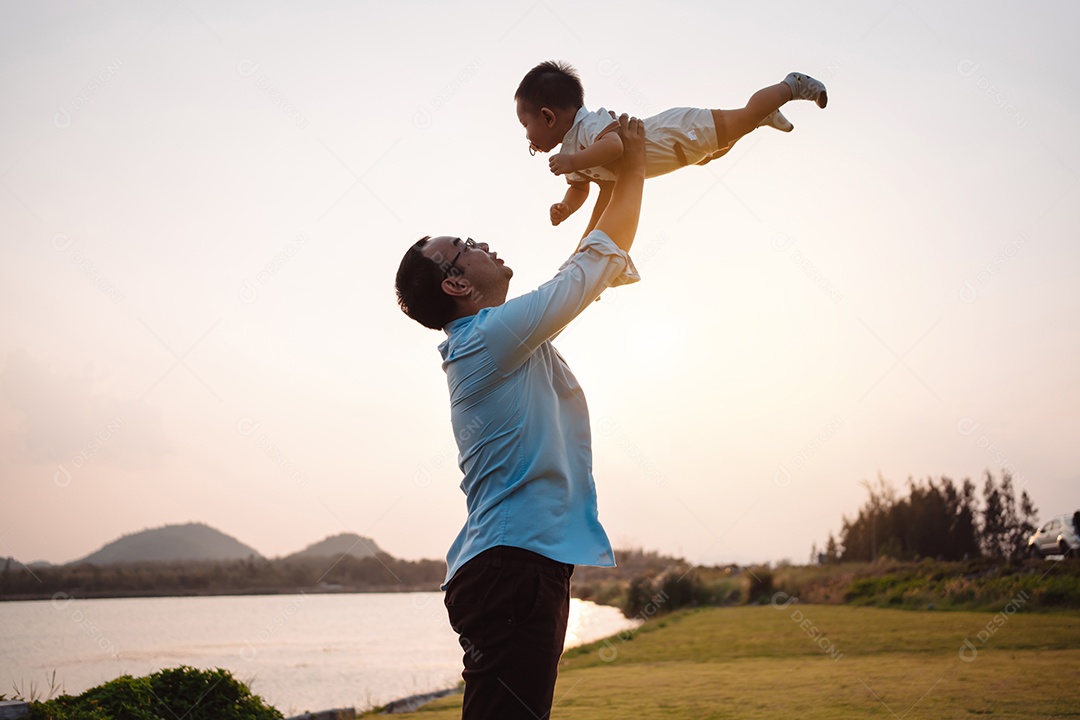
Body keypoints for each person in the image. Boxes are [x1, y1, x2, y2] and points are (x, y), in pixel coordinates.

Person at [394, 114, 647, 720]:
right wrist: (632, 168)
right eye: (465, 248)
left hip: (518, 565)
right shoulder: (484, 338)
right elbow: (585, 273)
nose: (481, 243)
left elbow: (583, 269)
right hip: (511, 567)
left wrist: (611, 182)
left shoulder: (499, 339)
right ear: (456, 283)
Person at [515, 60, 828, 235]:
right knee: (722, 146)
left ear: (548, 116)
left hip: (677, 132)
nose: (528, 137)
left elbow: (613, 148)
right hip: (684, 153)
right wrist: (567, 207)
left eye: (525, 126)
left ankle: (792, 85)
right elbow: (581, 189)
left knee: (742, 118)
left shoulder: (589, 124)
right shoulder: (573, 151)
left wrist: (572, 162)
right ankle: (760, 117)